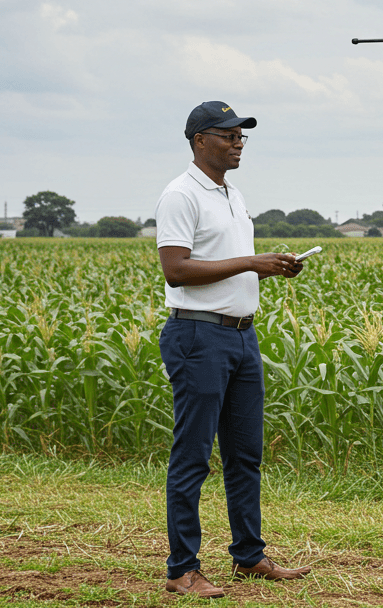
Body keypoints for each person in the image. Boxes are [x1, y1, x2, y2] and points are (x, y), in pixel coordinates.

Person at [154, 101, 312, 598]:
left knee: (245, 454)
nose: (238, 142)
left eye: (242, 135)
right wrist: (250, 261)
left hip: (242, 335)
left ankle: (249, 556)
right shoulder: (181, 195)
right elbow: (176, 269)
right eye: (228, 134)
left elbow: (230, 263)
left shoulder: (231, 193)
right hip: (199, 336)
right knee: (194, 456)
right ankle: (182, 568)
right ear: (200, 139)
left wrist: (270, 266)